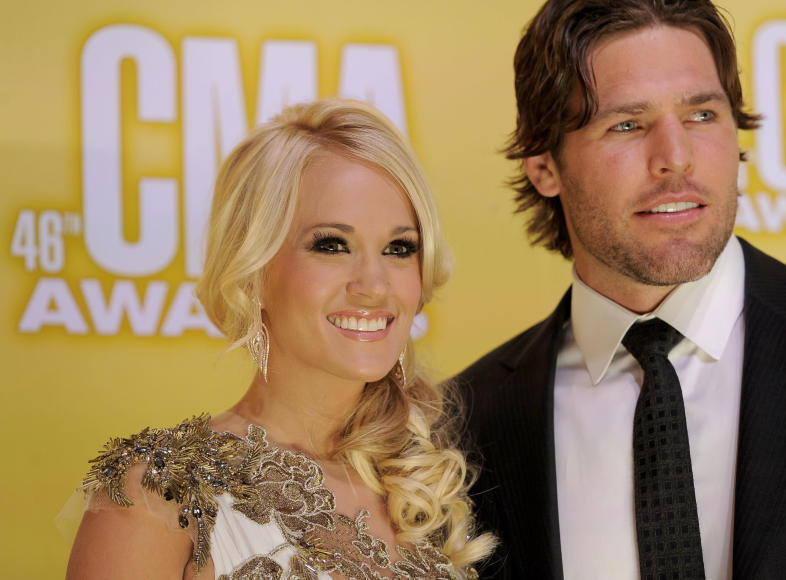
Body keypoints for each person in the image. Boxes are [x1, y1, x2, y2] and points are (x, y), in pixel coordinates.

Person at [453, 0, 786, 578]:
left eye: (701, 115)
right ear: (544, 166)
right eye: (627, 124)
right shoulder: (464, 427)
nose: (676, 158)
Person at [66, 98, 494, 579]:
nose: (374, 285)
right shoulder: (159, 495)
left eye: (400, 248)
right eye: (332, 245)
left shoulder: (433, 496)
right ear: (255, 270)